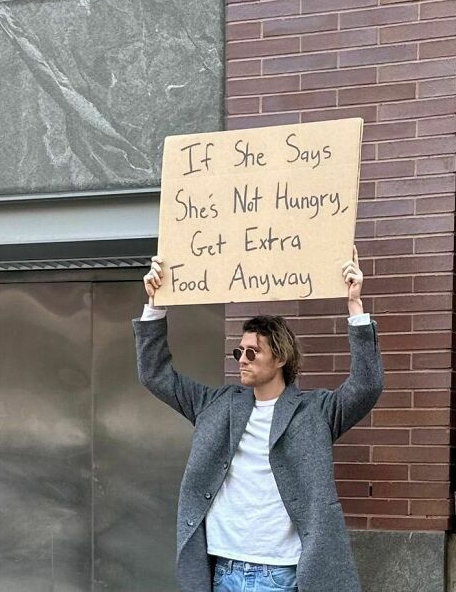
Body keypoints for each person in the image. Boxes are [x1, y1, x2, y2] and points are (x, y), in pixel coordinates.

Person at [132, 246, 383, 592]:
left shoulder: (315, 412)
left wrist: (355, 307)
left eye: (253, 352)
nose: (242, 360)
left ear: (279, 358)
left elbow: (366, 386)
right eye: (239, 352)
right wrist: (155, 304)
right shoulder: (215, 404)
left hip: (280, 574)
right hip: (222, 570)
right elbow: (155, 375)